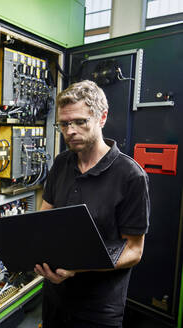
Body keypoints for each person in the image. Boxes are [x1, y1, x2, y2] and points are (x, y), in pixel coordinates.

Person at [34, 80, 150, 328]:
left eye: (80, 122)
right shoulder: (61, 163)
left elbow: (134, 251)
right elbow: (44, 220)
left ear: (102, 118)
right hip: (55, 298)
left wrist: (78, 268)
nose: (71, 131)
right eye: (64, 124)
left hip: (98, 309)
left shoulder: (130, 176)